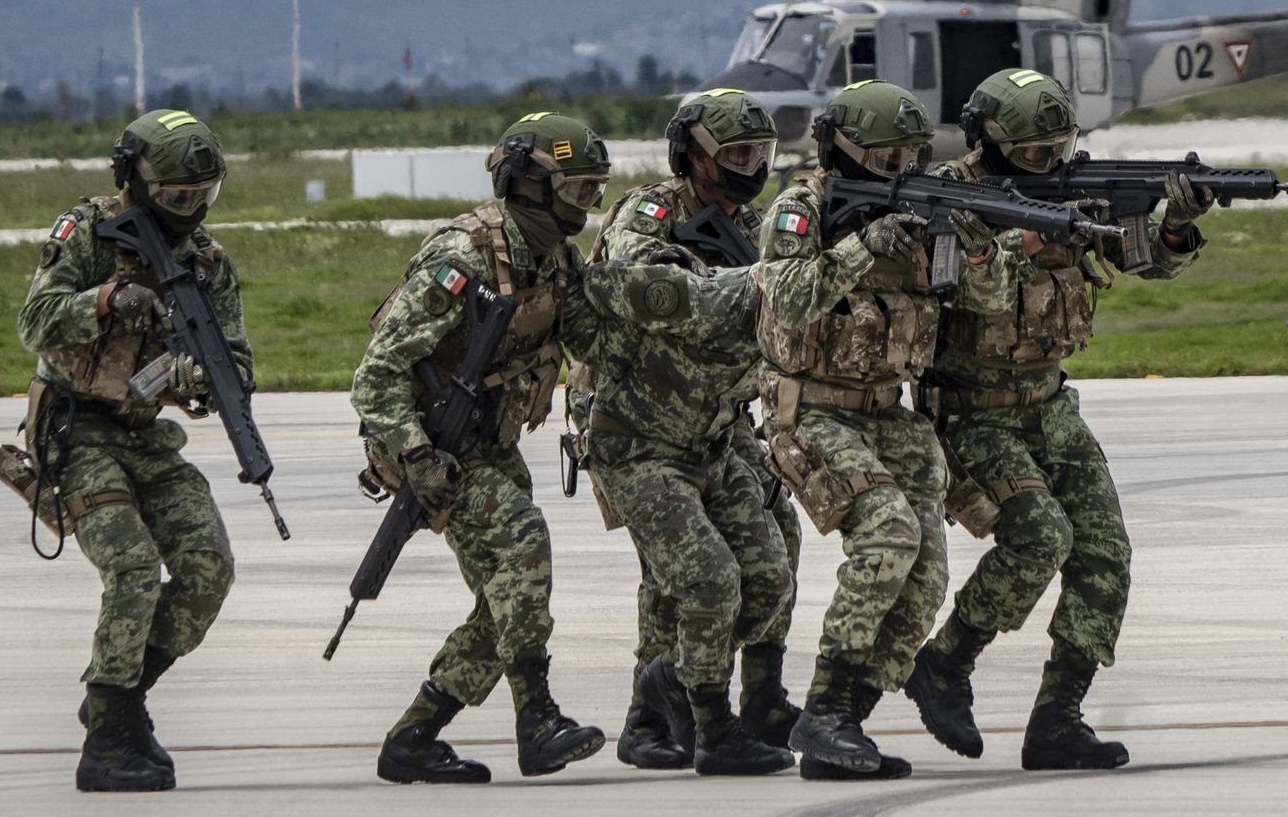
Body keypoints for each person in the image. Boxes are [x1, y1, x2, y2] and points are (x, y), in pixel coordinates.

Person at [353, 112, 759, 784]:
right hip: (430, 447)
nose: (587, 207)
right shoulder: (462, 258)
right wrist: (416, 456)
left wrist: (704, 333)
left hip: (490, 444)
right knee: (523, 547)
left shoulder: (556, 261)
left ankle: (414, 737)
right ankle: (537, 718)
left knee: (509, 599)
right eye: (575, 190)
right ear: (528, 185)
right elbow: (376, 374)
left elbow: (601, 343)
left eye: (594, 192)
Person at [903, 68, 1214, 770]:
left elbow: (1142, 263)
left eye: (1061, 145)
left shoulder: (1074, 187)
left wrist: (1177, 222)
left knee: (1105, 551)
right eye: (1036, 151)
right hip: (972, 413)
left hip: (1049, 403)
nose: (1052, 161)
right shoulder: (950, 197)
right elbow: (955, 283)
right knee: (1042, 536)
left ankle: (1058, 717)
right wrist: (1032, 239)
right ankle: (946, 663)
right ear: (991, 140)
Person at [754, 79, 1011, 780]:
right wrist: (865, 244)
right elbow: (789, 295)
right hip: (809, 406)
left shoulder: (926, 208)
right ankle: (825, 710)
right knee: (887, 533)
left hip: (886, 412)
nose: (901, 166)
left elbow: (989, 302)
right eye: (885, 154)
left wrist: (977, 245)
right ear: (843, 148)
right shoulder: (802, 209)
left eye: (910, 153)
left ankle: (848, 719)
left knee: (925, 576)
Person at [17, 108, 245, 793]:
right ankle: (109, 740)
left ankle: (116, 700)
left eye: (203, 197)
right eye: (177, 197)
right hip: (78, 427)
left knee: (208, 567)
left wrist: (199, 380)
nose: (191, 209)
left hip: (146, 431)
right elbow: (34, 321)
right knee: (136, 566)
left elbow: (236, 360)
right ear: (138, 184)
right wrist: (109, 299)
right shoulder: (87, 231)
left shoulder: (207, 263)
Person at [576, 89, 796, 776]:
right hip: (638, 435)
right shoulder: (653, 213)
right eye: (734, 154)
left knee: (767, 579)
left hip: (715, 430)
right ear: (691, 156)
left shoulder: (755, 225)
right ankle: (702, 723)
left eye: (760, 154)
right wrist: (733, 287)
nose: (750, 166)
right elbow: (638, 281)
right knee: (697, 579)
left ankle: (665, 686)